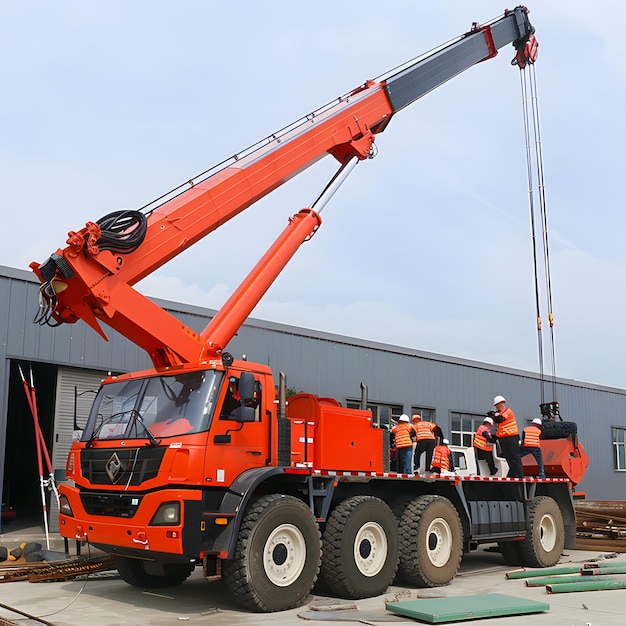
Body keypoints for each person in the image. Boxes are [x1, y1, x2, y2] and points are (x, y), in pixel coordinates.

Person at [491, 395, 524, 478]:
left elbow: (501, 419)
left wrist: (494, 416)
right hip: (504, 438)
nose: (497, 407)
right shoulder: (499, 413)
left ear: (501, 403)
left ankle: (519, 475)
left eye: (497, 405)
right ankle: (512, 474)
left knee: (514, 456)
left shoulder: (508, 411)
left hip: (511, 437)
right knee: (509, 458)